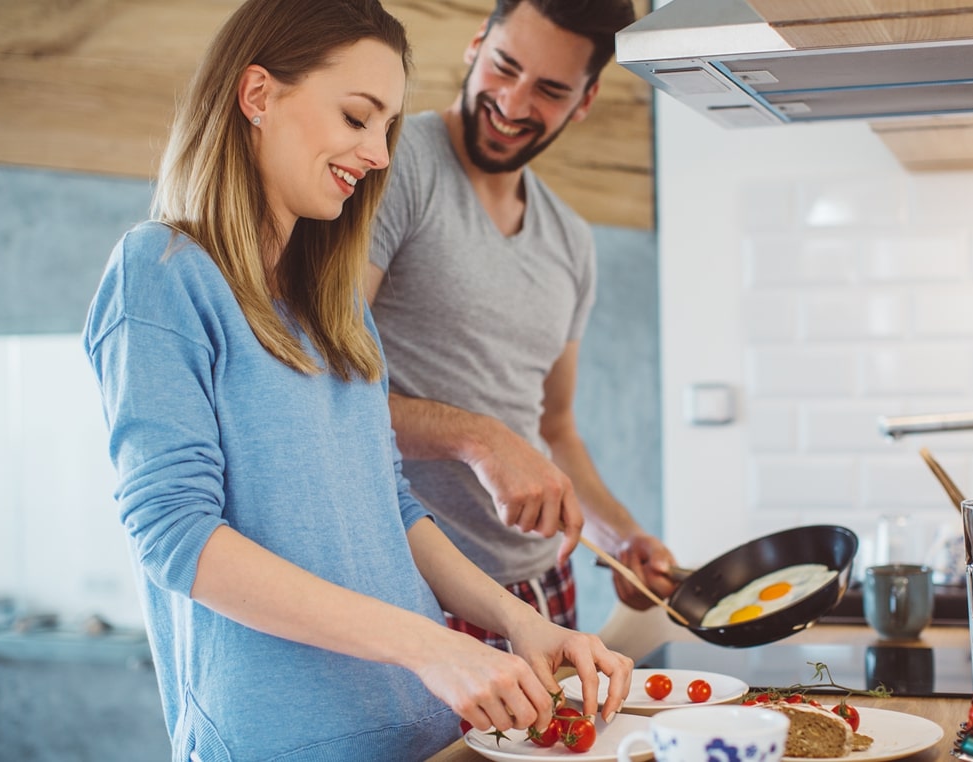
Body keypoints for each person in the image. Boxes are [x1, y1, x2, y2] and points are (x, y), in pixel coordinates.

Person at [81, 1, 631, 759]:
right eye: (356, 117)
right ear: (258, 94)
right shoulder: (161, 272)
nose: (376, 153)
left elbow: (391, 506)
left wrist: (520, 622)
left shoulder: (337, 308)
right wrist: (431, 646)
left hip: (426, 732)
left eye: (388, 127)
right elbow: (176, 535)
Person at [367, 0, 680, 650]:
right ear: (476, 43)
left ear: (584, 101)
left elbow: (554, 428)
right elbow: (322, 388)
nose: (512, 103)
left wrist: (622, 535)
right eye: (504, 67)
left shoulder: (571, 240)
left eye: (550, 90)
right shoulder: (393, 169)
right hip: (419, 588)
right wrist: (478, 438)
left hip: (546, 585)